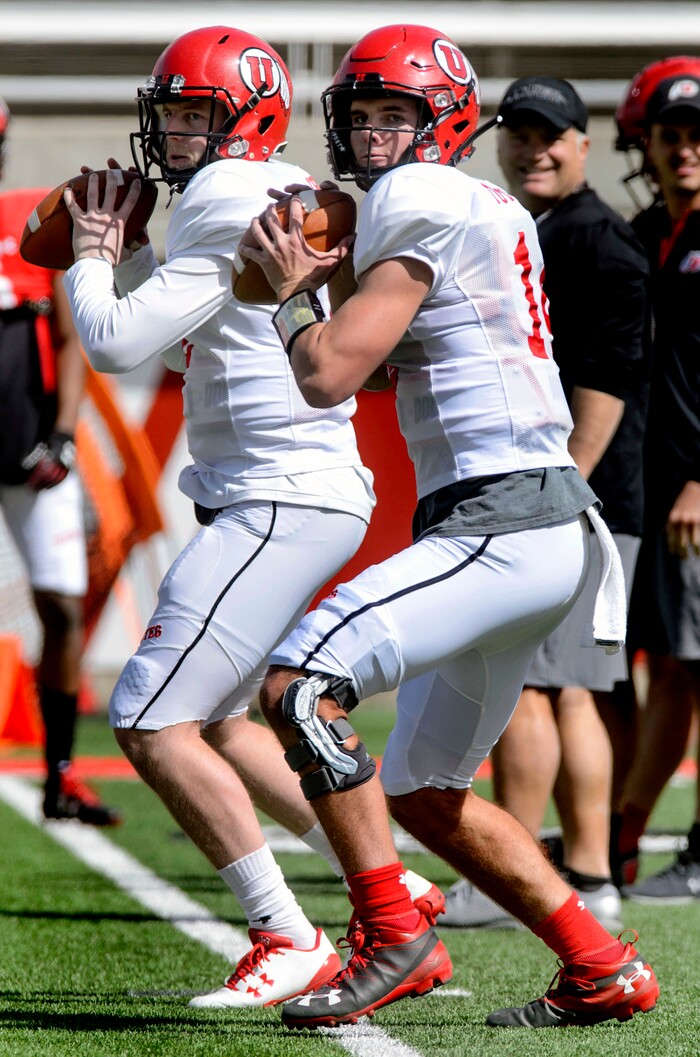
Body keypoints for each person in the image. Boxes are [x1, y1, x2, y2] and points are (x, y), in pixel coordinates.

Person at [246, 23, 659, 1030]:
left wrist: (294, 296)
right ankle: (599, 962)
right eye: (366, 116)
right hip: (527, 522)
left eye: (400, 115)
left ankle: (391, 934)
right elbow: (383, 360)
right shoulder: (462, 201)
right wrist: (325, 284)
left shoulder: (419, 197)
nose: (378, 137)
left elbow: (328, 374)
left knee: (299, 686)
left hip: (502, 516)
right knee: (425, 789)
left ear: (443, 125)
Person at [60, 25, 441, 1010]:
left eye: (197, 113)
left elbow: (110, 341)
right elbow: (194, 319)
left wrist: (94, 254)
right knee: (226, 723)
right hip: (286, 487)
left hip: (280, 492)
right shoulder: (247, 192)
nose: (177, 131)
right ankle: (395, 890)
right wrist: (137, 255)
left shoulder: (231, 195)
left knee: (147, 715)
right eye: (171, 112)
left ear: (247, 118)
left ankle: (287, 932)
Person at [440, 77, 650, 932]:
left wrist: (556, 494)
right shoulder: (539, 227)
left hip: (573, 494)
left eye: (550, 135)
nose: (534, 149)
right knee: (563, 688)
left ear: (584, 144)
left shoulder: (599, 241)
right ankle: (582, 868)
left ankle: (529, 871)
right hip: (570, 493)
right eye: (519, 134)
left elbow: (606, 381)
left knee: (539, 684)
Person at [0, 96, 121, 827]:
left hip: (32, 447)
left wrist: (67, 432)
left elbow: (73, 340)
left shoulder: (27, 215)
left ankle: (61, 773)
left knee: (64, 606)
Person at [612, 69, 700, 902]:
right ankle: (622, 830)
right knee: (665, 668)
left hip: (691, 492)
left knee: (688, 669)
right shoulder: (648, 231)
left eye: (698, 134)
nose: (686, 148)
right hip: (654, 484)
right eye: (672, 135)